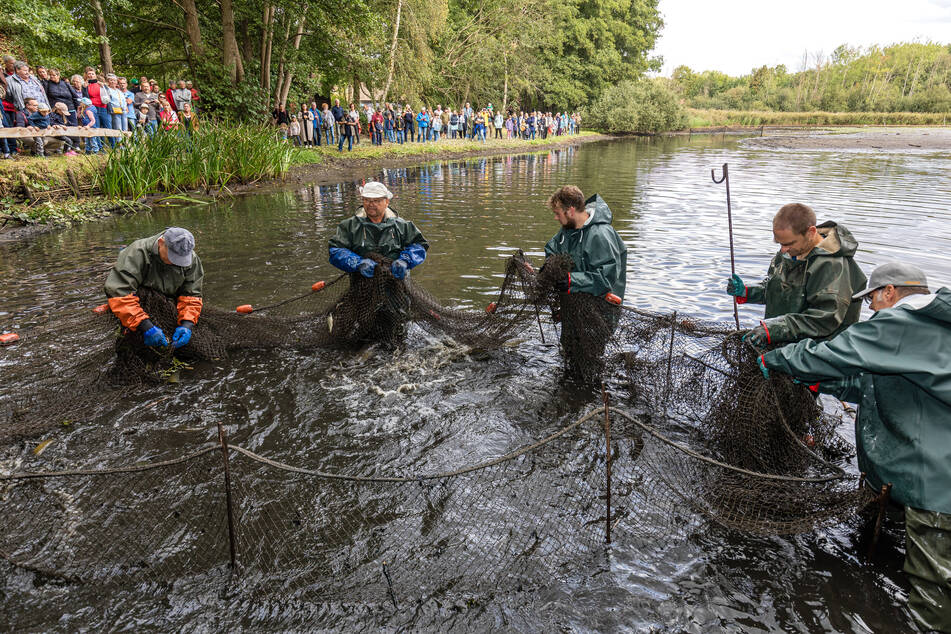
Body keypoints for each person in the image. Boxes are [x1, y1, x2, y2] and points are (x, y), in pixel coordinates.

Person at [760, 262, 950, 633]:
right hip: (913, 481)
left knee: (935, 596)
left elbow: (831, 353)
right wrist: (819, 384)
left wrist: (779, 359)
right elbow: (872, 384)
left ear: (889, 292)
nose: (870, 309)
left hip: (936, 492)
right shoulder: (927, 334)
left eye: (872, 300)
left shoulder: (899, 324)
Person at [726, 203, 867, 347]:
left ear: (811, 232)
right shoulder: (789, 252)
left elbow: (824, 318)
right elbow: (779, 291)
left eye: (788, 244)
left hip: (816, 352)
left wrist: (773, 329)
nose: (783, 250)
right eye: (779, 243)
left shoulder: (832, 265)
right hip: (785, 347)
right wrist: (747, 292)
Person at [327, 181, 429, 341]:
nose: (370, 204)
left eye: (376, 200)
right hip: (362, 288)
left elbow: (419, 246)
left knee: (397, 327)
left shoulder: (403, 226)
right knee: (365, 328)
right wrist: (357, 263)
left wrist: (405, 260)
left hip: (396, 289)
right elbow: (336, 251)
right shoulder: (349, 226)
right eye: (367, 200)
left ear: (387, 201)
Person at [544, 186, 627, 380]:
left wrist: (572, 280)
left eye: (558, 213)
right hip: (574, 306)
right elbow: (552, 248)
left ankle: (588, 397)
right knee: (570, 351)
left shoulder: (600, 234)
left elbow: (607, 277)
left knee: (589, 360)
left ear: (571, 211)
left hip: (600, 311)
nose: (556, 218)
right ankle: (571, 393)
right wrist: (548, 265)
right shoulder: (567, 230)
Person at [104, 227, 203, 350]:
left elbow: (192, 295)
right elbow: (120, 294)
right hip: (138, 303)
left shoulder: (191, 259)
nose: (176, 262)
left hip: (168, 304)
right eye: (173, 257)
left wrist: (187, 324)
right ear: (161, 243)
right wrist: (145, 326)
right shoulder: (137, 252)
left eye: (181, 259)